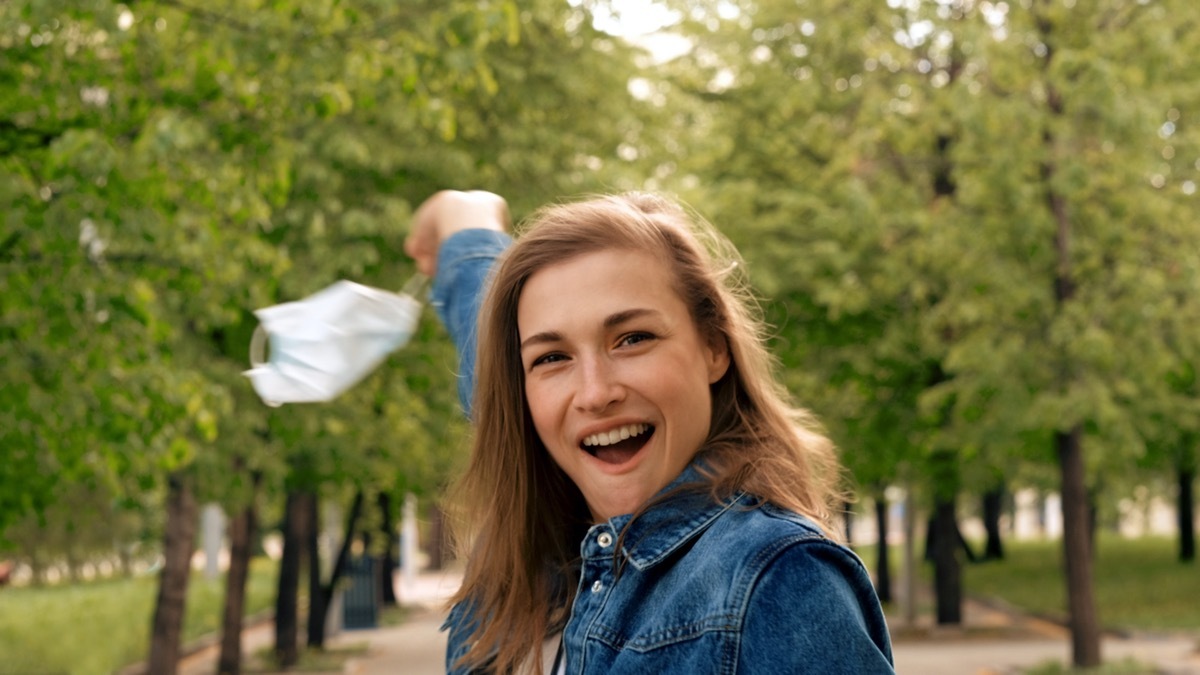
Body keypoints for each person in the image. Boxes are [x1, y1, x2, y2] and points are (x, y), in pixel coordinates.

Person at [405, 190, 894, 674]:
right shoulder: (522, 561)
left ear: (714, 349)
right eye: (552, 357)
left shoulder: (777, 581)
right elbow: (485, 371)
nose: (594, 394)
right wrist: (465, 223)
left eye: (633, 339)